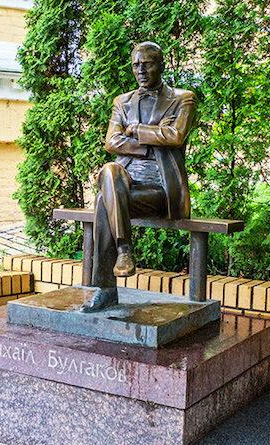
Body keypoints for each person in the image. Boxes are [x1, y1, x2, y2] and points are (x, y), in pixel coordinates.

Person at [83, 41, 197, 312]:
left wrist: (134, 130)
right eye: (136, 65)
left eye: (147, 64)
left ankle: (105, 290)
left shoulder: (183, 99)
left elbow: (176, 136)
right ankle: (124, 249)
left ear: (161, 65)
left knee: (102, 202)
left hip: (160, 187)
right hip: (125, 180)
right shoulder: (122, 102)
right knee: (109, 170)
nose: (141, 71)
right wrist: (152, 139)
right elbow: (111, 142)